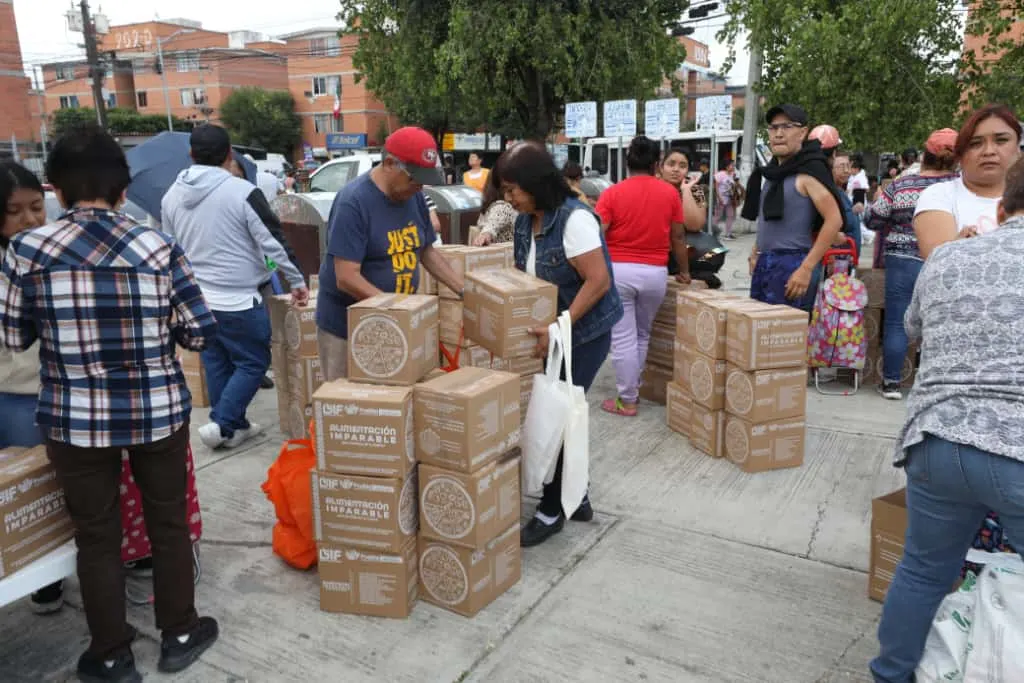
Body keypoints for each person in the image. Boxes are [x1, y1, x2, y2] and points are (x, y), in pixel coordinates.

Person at [0, 125, 220, 682]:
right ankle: (180, 633)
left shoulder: (26, 250)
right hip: (157, 413)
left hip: (73, 420)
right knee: (167, 524)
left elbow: (13, 336)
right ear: (123, 191)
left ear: (56, 190)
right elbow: (199, 333)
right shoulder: (159, 247)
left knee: (95, 536)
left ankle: (111, 654)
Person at [870, 154, 1024, 683]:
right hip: (1016, 447)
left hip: (936, 438)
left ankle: (890, 673)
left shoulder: (947, 257)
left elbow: (913, 327)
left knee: (922, 571)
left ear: (1001, 209)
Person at [494, 142, 622, 547]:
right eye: (504, 190)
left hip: (584, 332)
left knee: (561, 416)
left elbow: (598, 281)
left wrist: (559, 326)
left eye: (513, 189)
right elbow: (526, 279)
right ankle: (577, 496)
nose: (508, 198)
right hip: (553, 331)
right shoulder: (524, 222)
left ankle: (551, 510)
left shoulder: (574, 219)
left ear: (536, 183)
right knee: (560, 410)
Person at [161, 124, 309, 450]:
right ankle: (223, 422)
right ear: (230, 154)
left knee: (218, 363)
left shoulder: (171, 196)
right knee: (254, 362)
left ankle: (233, 427)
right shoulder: (242, 192)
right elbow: (273, 241)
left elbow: (171, 249)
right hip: (239, 299)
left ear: (191, 154)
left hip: (198, 298)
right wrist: (297, 281)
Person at [316, 127, 464, 382]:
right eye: (414, 179)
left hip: (395, 322)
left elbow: (426, 250)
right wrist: (399, 310)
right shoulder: (354, 202)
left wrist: (462, 289)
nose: (419, 187)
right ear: (389, 164)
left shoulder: (414, 197)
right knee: (349, 401)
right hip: (348, 329)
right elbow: (346, 277)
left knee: (395, 400)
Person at [595, 136, 688, 418]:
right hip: (656, 274)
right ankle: (633, 389)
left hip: (619, 272)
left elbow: (598, 232)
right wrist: (684, 271)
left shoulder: (612, 194)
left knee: (622, 337)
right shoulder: (670, 194)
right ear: (656, 164)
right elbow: (678, 237)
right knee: (642, 334)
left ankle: (627, 399)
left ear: (628, 162)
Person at [864, 129, 958, 401]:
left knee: (897, 321)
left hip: (903, 259)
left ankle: (892, 383)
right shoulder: (962, 186)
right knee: (942, 321)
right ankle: (938, 385)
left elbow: (873, 219)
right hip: (946, 257)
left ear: (924, 155)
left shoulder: (903, 184)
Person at [741, 104, 844, 310]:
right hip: (765, 263)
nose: (778, 134)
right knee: (761, 327)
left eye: (787, 127)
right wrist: (756, 252)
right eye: (773, 128)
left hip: (793, 264)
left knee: (787, 329)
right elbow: (768, 221)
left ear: (803, 132)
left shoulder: (809, 172)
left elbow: (834, 220)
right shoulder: (772, 174)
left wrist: (806, 268)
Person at [914, 104, 1022, 259]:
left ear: (1018, 148)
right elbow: (938, 262)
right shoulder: (939, 196)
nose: (989, 151)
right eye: (976, 143)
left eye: (1001, 140)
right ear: (960, 155)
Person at [659, 149, 707, 231]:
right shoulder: (652, 188)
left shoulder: (697, 191)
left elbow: (695, 226)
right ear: (661, 168)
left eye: (682, 166)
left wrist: (686, 190)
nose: (676, 169)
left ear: (688, 171)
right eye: (671, 164)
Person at [473, 180, 518, 245]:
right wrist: (485, 234)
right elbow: (492, 225)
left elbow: (492, 224)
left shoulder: (493, 207)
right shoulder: (502, 207)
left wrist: (485, 234)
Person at [713, 158, 739, 240]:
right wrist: (719, 197)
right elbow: (716, 187)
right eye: (732, 165)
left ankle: (728, 233)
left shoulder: (733, 175)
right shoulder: (720, 174)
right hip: (721, 198)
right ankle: (713, 232)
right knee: (718, 216)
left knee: (730, 216)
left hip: (730, 198)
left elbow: (735, 186)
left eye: (734, 165)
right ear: (727, 166)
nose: (733, 167)